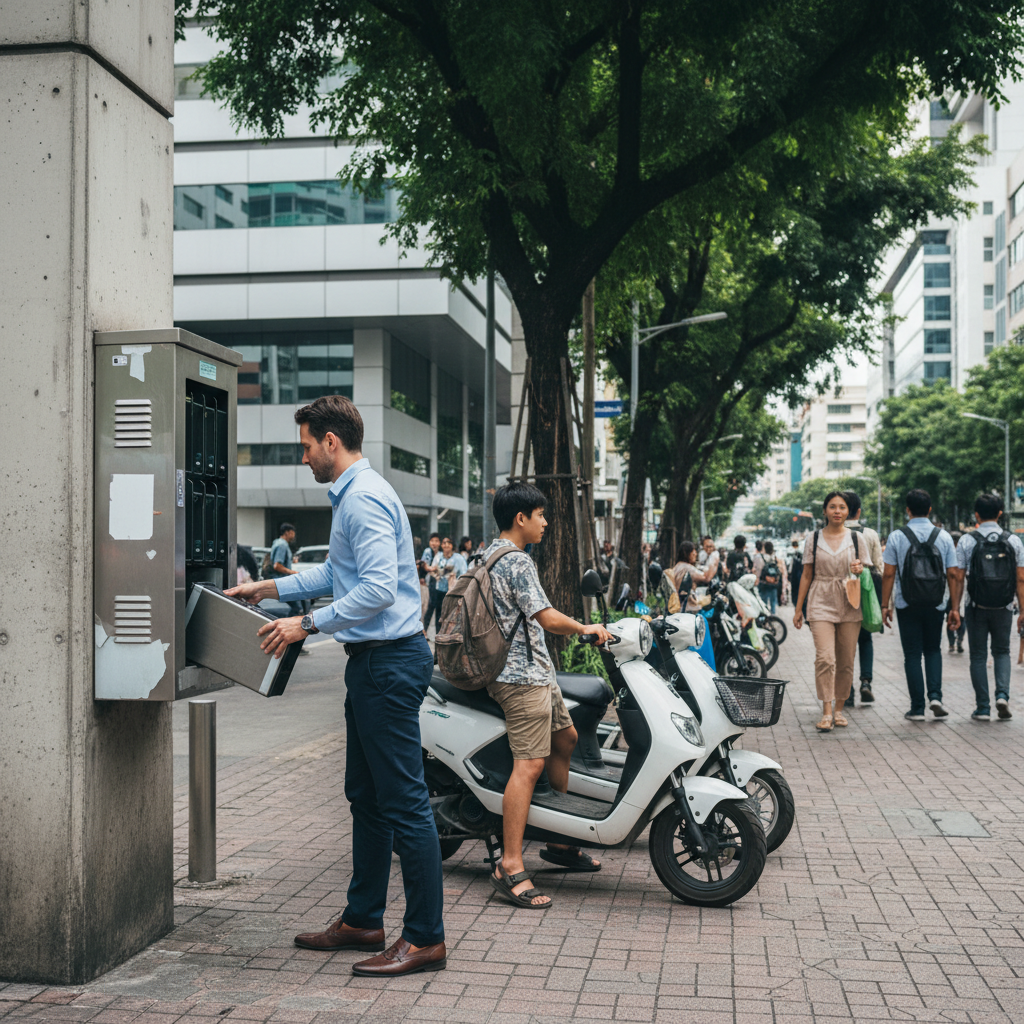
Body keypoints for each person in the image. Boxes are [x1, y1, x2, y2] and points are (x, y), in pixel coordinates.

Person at [225, 395, 445, 977]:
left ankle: (425, 939)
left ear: (330, 441)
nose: (303, 457)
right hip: (375, 663)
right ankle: (363, 919)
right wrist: (269, 590)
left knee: (404, 803)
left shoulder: (365, 499)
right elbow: (338, 575)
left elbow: (373, 590)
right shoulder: (353, 496)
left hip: (388, 663)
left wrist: (306, 623)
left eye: (305, 446)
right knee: (367, 797)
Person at [482, 483, 612, 908]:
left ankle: (560, 841)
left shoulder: (488, 554)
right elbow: (546, 617)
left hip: (537, 671)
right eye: (540, 515)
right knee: (530, 765)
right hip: (520, 678)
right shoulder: (516, 561)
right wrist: (584, 628)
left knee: (567, 739)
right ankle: (511, 864)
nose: (546, 522)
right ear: (520, 518)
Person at [792, 492, 869, 732]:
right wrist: (798, 609)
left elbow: (864, 572)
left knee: (846, 660)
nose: (837, 511)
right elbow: (806, 574)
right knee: (825, 657)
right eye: (832, 507)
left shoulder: (857, 539)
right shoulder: (812, 539)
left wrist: (859, 569)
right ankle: (826, 711)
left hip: (849, 601)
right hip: (820, 600)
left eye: (842, 507)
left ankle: (839, 709)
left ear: (849, 512)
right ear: (824, 511)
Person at [880, 489, 958, 722]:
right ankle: (936, 696)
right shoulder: (943, 537)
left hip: (907, 602)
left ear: (907, 510)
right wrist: (954, 607)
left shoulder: (897, 536)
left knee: (912, 654)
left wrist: (885, 605)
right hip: (936, 603)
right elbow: (953, 574)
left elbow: (888, 574)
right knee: (933, 649)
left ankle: (917, 708)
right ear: (930, 509)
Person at [949, 493, 1024, 721]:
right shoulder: (1014, 540)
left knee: (978, 656)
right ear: (1000, 513)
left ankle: (983, 707)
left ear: (976, 514)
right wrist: (1023, 609)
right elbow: (1021, 579)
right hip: (1004, 606)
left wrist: (955, 608)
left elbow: (957, 576)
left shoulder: (967, 540)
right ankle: (1002, 695)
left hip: (976, 605)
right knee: (1002, 652)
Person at [843, 490, 883, 707]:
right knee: (865, 639)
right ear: (858, 511)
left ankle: (847, 690)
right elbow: (879, 567)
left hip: (842, 592)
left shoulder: (833, 533)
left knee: (845, 642)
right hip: (867, 592)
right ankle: (866, 682)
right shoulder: (871, 534)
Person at [267, 523, 303, 615]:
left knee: (296, 606)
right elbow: (277, 565)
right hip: (282, 581)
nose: (294, 535)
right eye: (292, 533)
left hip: (281, 581)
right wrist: (292, 572)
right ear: (287, 533)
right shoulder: (282, 545)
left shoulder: (277, 542)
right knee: (297, 607)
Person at [672, 540, 715, 610]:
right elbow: (706, 578)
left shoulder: (677, 566)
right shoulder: (686, 568)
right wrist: (713, 561)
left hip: (677, 605)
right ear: (687, 554)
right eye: (693, 551)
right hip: (686, 607)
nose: (695, 553)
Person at [946, 531, 966, 653]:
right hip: (961, 592)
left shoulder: (947, 552)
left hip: (949, 591)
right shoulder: (963, 553)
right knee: (961, 618)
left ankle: (952, 643)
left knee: (950, 618)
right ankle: (959, 640)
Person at [421, 533, 445, 636]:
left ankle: (436, 632)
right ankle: (424, 630)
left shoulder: (441, 553)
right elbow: (424, 565)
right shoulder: (427, 551)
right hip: (430, 580)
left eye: (436, 541)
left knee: (437, 607)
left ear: (439, 543)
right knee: (430, 605)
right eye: (432, 541)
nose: (434, 543)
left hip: (438, 581)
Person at [757, 541, 785, 614]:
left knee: (763, 602)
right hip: (773, 584)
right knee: (773, 601)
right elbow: (780, 570)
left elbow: (758, 571)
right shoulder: (776, 558)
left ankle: (765, 616)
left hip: (763, 583)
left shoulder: (760, 558)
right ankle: (773, 616)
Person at [787, 538, 803, 607]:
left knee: (794, 588)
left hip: (793, 574)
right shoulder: (800, 552)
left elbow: (789, 564)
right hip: (800, 573)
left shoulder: (790, 552)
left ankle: (795, 601)